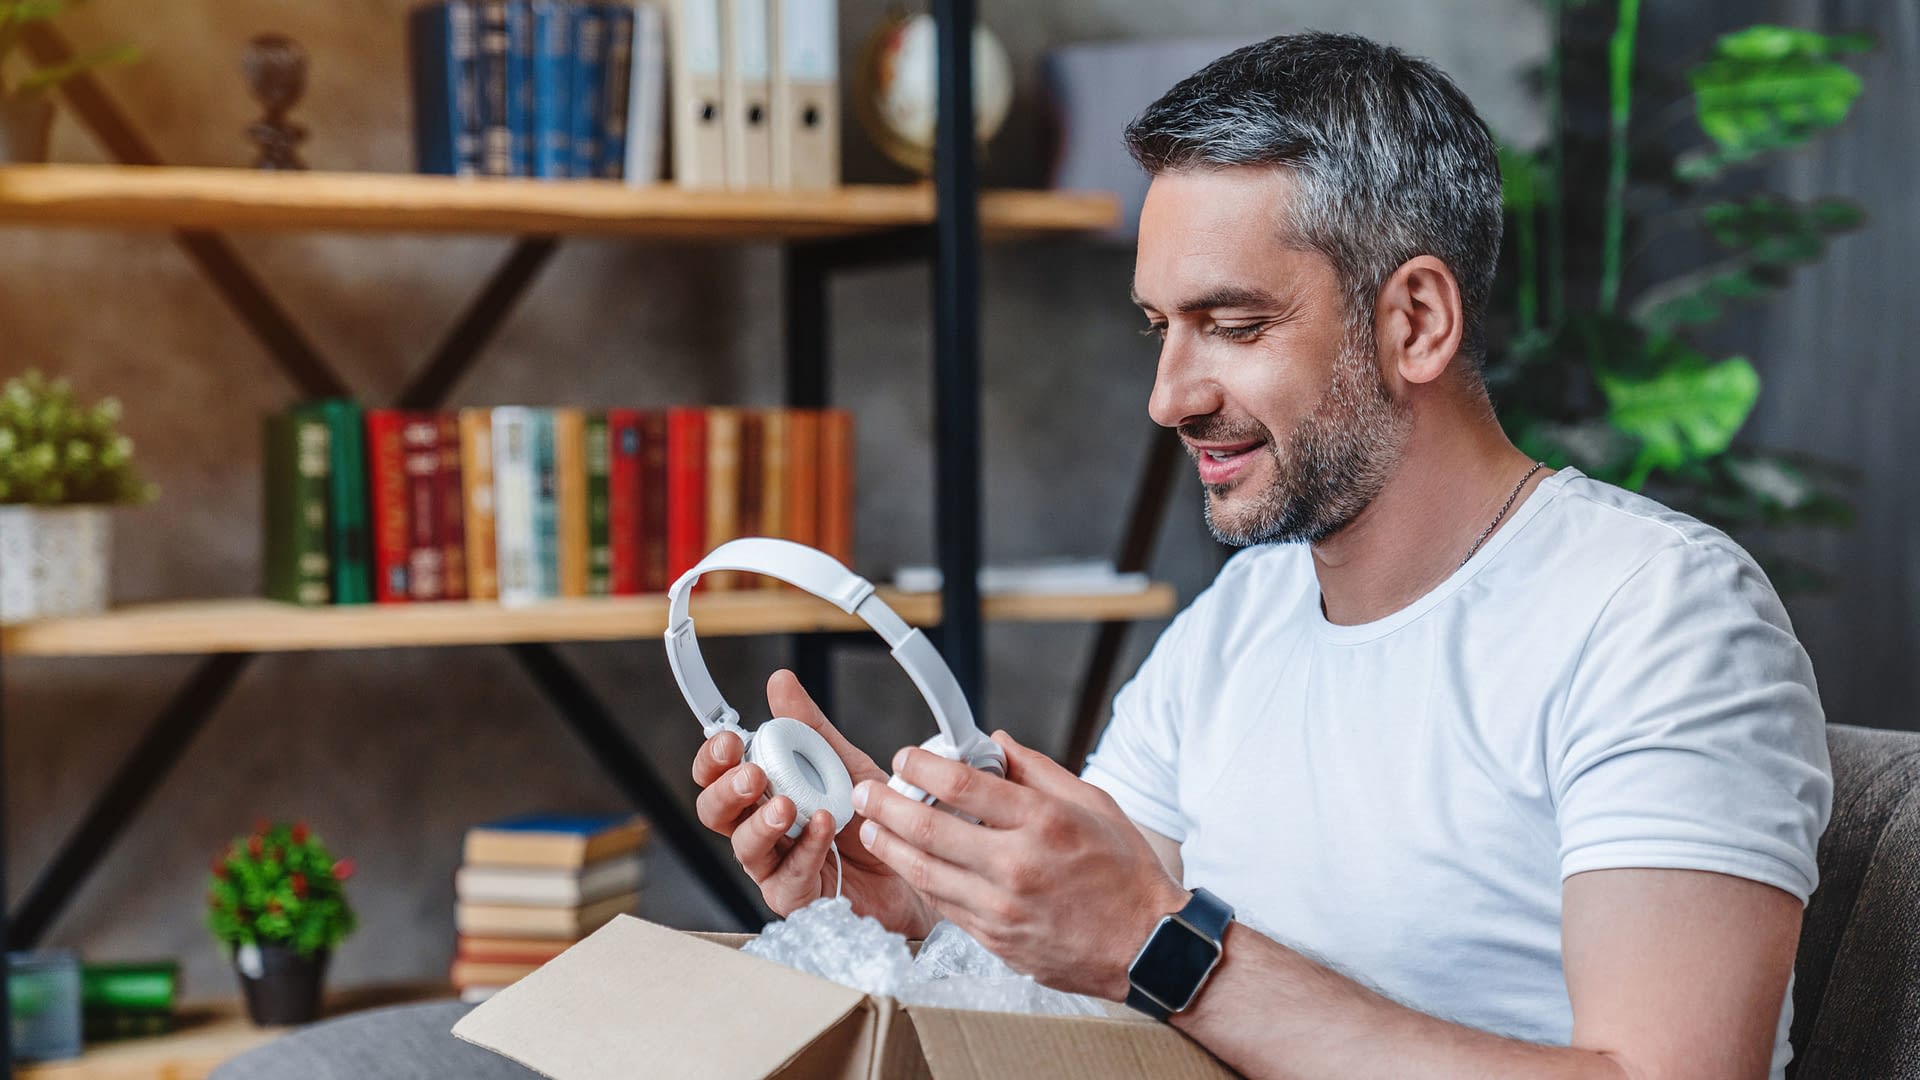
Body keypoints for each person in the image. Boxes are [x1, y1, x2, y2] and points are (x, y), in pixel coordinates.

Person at [692, 31, 1830, 1080]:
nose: (1169, 397)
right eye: (1161, 327)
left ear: (1417, 322)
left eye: (1233, 327)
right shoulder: (1241, 623)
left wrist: (1164, 946)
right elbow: (1087, 946)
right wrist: (911, 907)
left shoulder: (1660, 616)